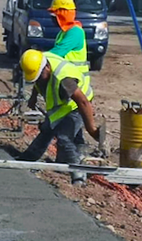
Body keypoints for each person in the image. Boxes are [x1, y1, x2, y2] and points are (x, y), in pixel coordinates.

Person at [18, 49, 101, 185]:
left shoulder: (64, 80)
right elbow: (38, 81)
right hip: (61, 106)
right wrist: (33, 96)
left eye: (40, 76)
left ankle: (78, 176)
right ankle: (28, 158)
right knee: (47, 130)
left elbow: (83, 102)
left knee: (64, 139)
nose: (38, 80)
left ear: (47, 67)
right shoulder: (38, 61)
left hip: (75, 106)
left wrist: (92, 129)